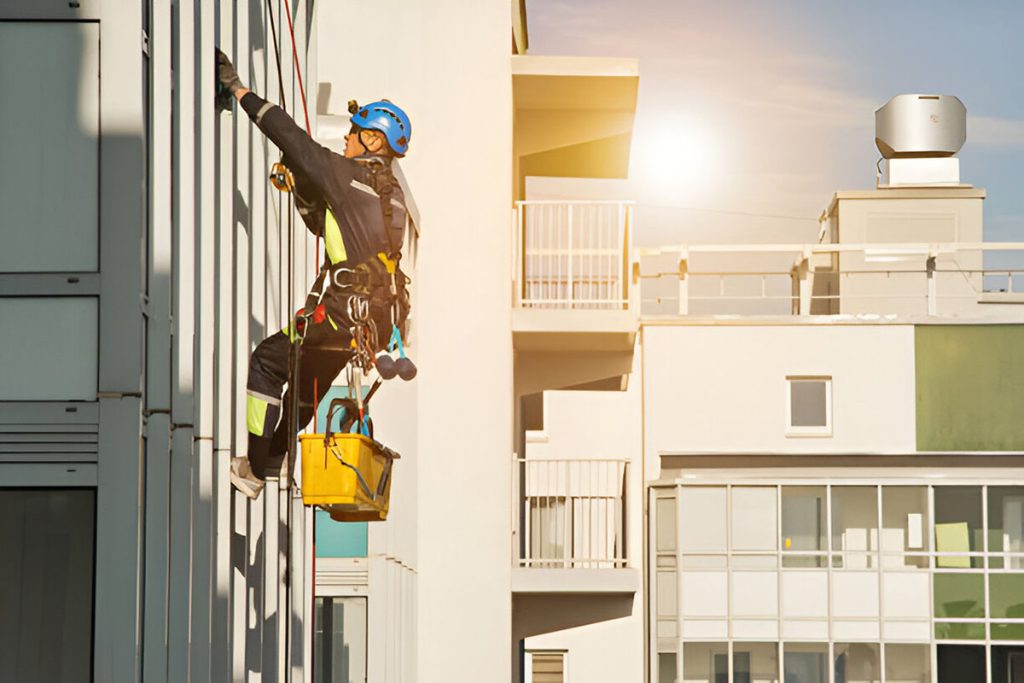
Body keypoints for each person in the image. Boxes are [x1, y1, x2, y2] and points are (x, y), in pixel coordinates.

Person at [215, 49, 412, 500]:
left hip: (342, 313)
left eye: (355, 132)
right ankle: (276, 463)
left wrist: (239, 90)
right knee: (305, 383)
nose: (346, 138)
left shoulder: (345, 176)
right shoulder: (392, 196)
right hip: (374, 324)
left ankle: (254, 465)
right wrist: (304, 187)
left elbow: (287, 134)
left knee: (267, 361)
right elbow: (336, 229)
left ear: (374, 144)